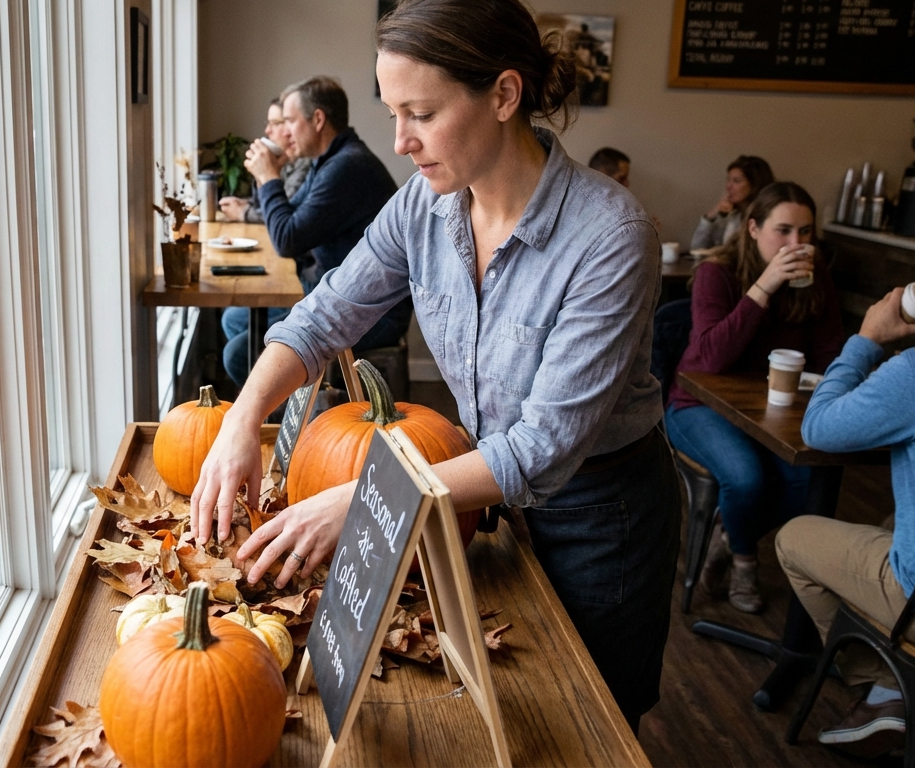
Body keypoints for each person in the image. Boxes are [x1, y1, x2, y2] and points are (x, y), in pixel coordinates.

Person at [191, 0, 680, 730]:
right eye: (393, 114)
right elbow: (326, 316)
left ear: (504, 95)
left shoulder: (611, 236)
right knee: (506, 709)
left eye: (420, 113)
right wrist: (241, 418)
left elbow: (545, 445)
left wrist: (367, 501)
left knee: (590, 722)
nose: (402, 141)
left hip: (600, 518)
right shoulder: (423, 205)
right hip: (475, 487)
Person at [777, 233, 915, 759]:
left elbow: (819, 427)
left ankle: (887, 688)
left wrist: (867, 338)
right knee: (898, 516)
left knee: (794, 537)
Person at [665, 182, 843, 613]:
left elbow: (831, 354)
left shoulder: (816, 279)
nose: (796, 244)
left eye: (806, 233)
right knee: (746, 478)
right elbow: (708, 359)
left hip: (769, 410)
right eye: (783, 231)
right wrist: (764, 286)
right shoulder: (717, 273)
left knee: (810, 480)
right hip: (698, 404)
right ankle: (745, 561)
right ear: (753, 228)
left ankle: (727, 537)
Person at [219, 76, 413, 386]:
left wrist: (269, 177)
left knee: (239, 354)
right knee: (235, 319)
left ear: (318, 119)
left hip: (370, 310)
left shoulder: (347, 167)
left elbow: (287, 240)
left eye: (290, 121)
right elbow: (288, 217)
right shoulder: (328, 161)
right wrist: (269, 178)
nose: (285, 132)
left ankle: (308, 420)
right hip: (333, 291)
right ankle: (299, 400)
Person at [218, 98, 310, 224]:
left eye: (275, 123)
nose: (267, 131)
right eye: (268, 123)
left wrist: (243, 213)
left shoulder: (306, 163)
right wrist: (248, 202)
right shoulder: (285, 160)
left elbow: (282, 212)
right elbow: (266, 202)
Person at [691, 155, 774, 251]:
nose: (728, 186)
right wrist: (712, 215)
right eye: (728, 180)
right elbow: (697, 248)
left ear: (754, 184)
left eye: (736, 181)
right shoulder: (733, 214)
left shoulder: (766, 217)